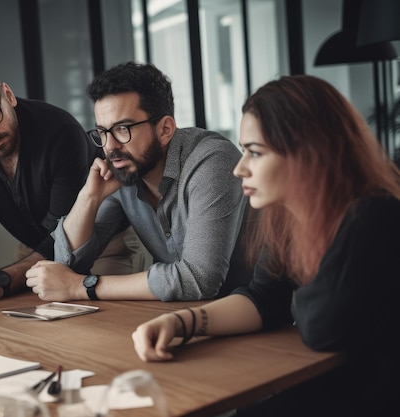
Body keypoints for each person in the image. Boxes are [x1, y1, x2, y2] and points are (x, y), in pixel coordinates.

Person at [131, 75, 400, 417]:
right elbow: (262, 300)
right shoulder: (288, 220)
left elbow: (322, 328)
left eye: (255, 152)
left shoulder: (375, 216)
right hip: (323, 387)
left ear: (308, 151)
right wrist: (180, 323)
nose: (240, 168)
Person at [25, 61, 250, 302]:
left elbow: (200, 279)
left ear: (165, 129)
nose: (110, 147)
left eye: (123, 128)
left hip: (261, 323)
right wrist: (88, 198)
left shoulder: (212, 161)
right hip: (177, 318)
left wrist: (81, 287)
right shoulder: (125, 172)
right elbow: (66, 263)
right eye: (102, 132)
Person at [0, 56, 144, 304]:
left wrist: (3, 280)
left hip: (101, 245)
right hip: (33, 251)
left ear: (8, 95)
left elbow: (61, 239)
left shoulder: (60, 131)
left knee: (101, 328)